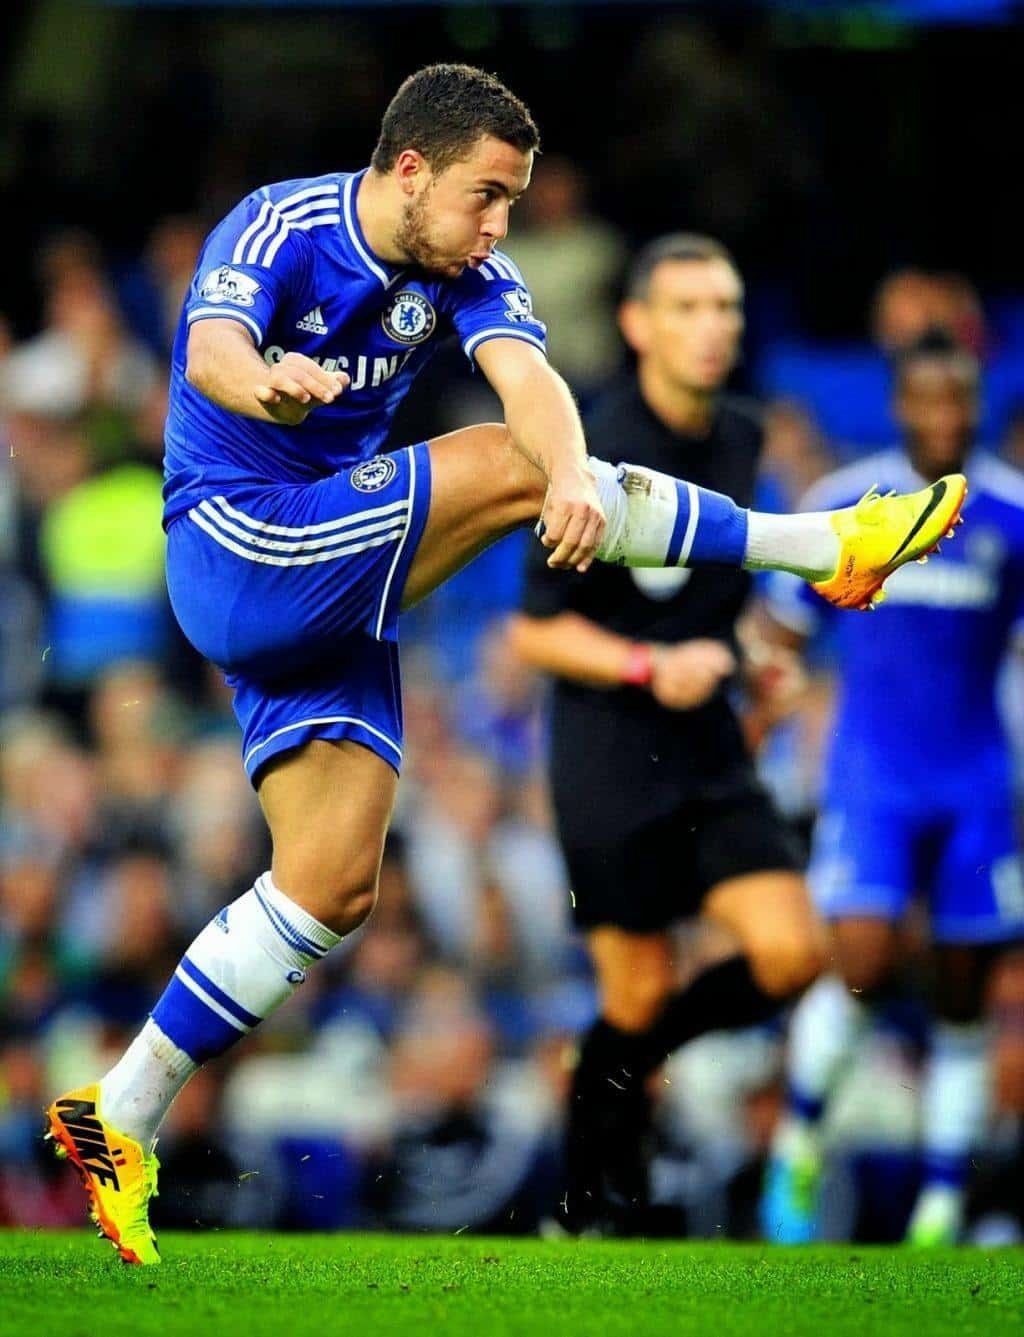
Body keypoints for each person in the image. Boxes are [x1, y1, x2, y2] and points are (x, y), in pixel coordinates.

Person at [42, 63, 966, 1266]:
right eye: (487, 196)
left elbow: (532, 379)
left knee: (330, 882)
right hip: (241, 539)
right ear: (410, 169)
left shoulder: (469, 263)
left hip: (330, 572)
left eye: (513, 203)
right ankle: (822, 547)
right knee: (493, 459)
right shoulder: (281, 225)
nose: (499, 225)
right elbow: (212, 345)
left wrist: (573, 471)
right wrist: (266, 381)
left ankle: (117, 1111)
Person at [510, 233, 825, 1236]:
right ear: (638, 324)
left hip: (709, 747)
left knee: (792, 951)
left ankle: (626, 1064)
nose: (712, 326)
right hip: (608, 752)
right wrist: (651, 665)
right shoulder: (591, 446)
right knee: (635, 990)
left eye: (725, 306)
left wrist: (755, 653)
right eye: (687, 307)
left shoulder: (743, 434)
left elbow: (717, 590)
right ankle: (581, 1206)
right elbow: (531, 630)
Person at [762, 330, 1024, 1246]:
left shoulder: (1010, 514)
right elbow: (783, 634)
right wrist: (770, 716)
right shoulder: (846, 505)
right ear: (900, 405)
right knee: (863, 961)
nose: (945, 416)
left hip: (977, 783)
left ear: (976, 406)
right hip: (871, 778)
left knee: (962, 990)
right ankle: (799, 1137)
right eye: (928, 399)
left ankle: (941, 1204)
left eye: (960, 399)